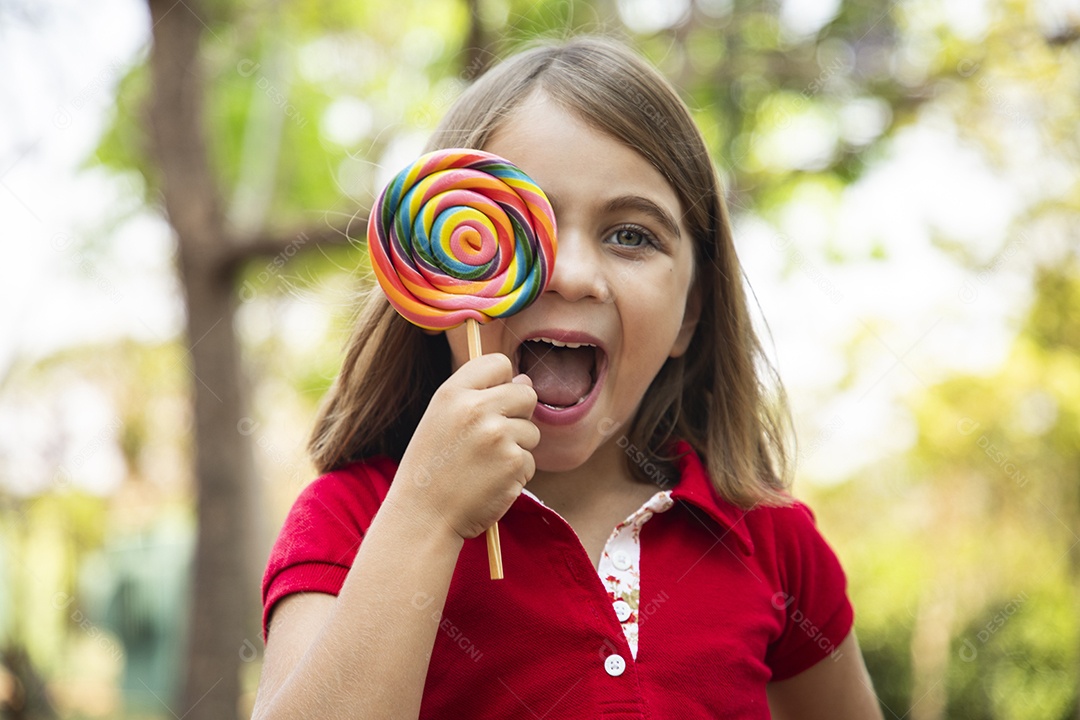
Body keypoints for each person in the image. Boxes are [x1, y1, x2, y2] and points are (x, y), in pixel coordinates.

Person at [251, 35, 884, 720]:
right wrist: (427, 513)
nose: (573, 275)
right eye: (526, 226)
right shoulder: (349, 519)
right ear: (436, 272)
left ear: (690, 313)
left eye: (631, 235)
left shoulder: (772, 541)